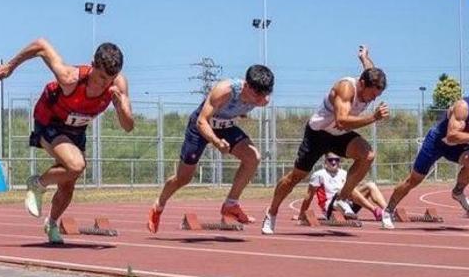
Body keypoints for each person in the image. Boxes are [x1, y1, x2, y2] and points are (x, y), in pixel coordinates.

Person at [0, 39, 133, 244]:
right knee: (77, 165)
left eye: (109, 78)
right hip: (50, 120)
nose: (104, 83)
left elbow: (128, 126)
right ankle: (37, 184)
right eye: (101, 77)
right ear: (92, 65)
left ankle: (52, 222)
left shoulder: (118, 85)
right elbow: (41, 46)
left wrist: (120, 108)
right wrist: (10, 66)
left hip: (75, 129)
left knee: (68, 184)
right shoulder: (70, 77)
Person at [261, 45, 389, 234]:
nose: (372, 99)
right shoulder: (346, 88)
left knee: (368, 155)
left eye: (377, 96)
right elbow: (342, 121)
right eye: (371, 94)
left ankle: (341, 199)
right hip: (318, 134)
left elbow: (369, 69)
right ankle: (271, 213)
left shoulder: (368, 80)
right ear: (361, 84)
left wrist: (364, 58)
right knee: (295, 178)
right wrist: (373, 118)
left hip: (339, 136)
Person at [147, 65, 274, 233]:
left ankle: (231, 204)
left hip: (226, 127)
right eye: (257, 95)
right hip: (200, 126)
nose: (261, 100)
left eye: (265, 95)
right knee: (183, 178)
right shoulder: (224, 90)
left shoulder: (262, 100)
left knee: (253, 157)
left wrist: (240, 112)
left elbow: (243, 107)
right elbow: (201, 121)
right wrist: (216, 142)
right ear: (246, 86)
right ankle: (158, 205)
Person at [380, 85, 469, 229]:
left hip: (455, 145)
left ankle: (457, 192)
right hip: (437, 142)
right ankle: (388, 210)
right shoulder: (463, 107)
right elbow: (451, 135)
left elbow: (459, 136)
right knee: (413, 181)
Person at [297, 153, 388, 220]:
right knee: (346, 190)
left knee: (370, 185)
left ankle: (388, 211)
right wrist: (301, 214)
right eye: (330, 160)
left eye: (336, 160)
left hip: (348, 205)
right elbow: (308, 196)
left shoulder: (344, 173)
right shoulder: (319, 175)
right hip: (331, 208)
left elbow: (355, 191)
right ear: (325, 162)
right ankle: (375, 210)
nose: (333, 162)